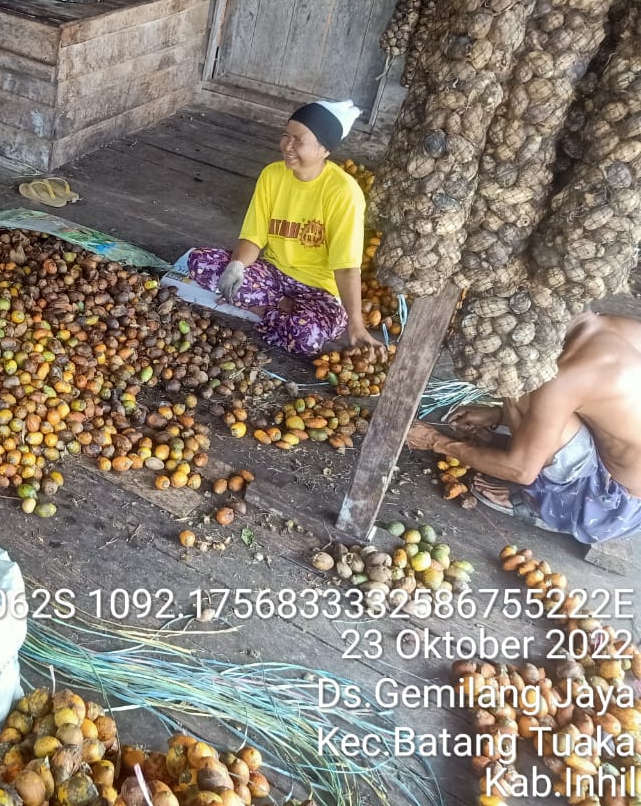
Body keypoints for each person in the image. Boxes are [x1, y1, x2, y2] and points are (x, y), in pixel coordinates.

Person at [407, 313, 641, 544]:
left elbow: (521, 470)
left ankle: (541, 503)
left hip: (609, 506)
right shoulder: (617, 327)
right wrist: (498, 415)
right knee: (534, 397)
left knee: (520, 391)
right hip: (624, 471)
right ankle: (530, 444)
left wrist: (435, 441)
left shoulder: (564, 377)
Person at [186, 100, 384, 357]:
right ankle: (275, 310)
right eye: (285, 136)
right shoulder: (272, 175)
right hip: (272, 276)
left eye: (298, 141)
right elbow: (253, 238)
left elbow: (346, 267)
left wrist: (356, 325)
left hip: (318, 290)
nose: (287, 147)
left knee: (308, 337)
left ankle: (259, 308)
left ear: (324, 149)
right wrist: (237, 266)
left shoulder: (343, 193)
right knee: (200, 262)